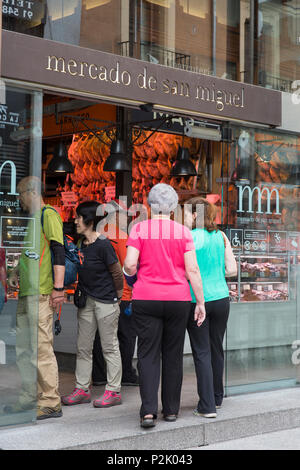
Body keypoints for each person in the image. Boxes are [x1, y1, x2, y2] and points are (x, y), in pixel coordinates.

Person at [124, 183, 206, 428]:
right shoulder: (183, 232)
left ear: (149, 205)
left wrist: (137, 277)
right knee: (173, 354)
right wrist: (200, 302)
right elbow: (192, 269)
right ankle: (170, 410)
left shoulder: (139, 229)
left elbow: (129, 265)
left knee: (148, 354)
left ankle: (148, 412)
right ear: (173, 208)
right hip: (178, 300)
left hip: (146, 298)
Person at [7, 176, 65, 420]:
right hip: (27, 292)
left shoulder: (48, 214)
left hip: (42, 292)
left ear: (32, 192)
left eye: (21, 194)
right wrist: (14, 271)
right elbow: (29, 253)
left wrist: (58, 288)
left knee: (41, 348)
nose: (19, 199)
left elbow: (58, 250)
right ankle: (30, 396)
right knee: (24, 349)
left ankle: (50, 400)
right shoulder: (30, 220)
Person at [61, 201, 124, 408]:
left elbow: (116, 273)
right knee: (84, 347)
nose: (75, 221)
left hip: (106, 301)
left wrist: (117, 298)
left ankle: (113, 391)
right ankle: (82, 389)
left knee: (109, 347)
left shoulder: (104, 244)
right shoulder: (81, 244)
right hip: (87, 301)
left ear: (89, 220)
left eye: (79, 217)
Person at [184, 197, 237, 418]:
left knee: (201, 351)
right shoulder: (221, 236)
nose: (183, 218)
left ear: (195, 215)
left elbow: (187, 270)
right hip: (222, 298)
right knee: (216, 347)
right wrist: (215, 275)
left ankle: (207, 406)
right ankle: (217, 396)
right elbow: (232, 269)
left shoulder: (189, 237)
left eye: (186, 214)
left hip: (197, 300)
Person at [92, 199, 138, 387]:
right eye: (125, 215)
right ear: (116, 215)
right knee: (126, 337)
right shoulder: (120, 236)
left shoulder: (94, 235)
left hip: (98, 295)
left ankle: (99, 374)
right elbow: (129, 266)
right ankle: (126, 373)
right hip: (122, 296)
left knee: (99, 336)